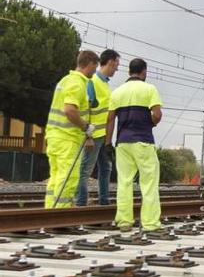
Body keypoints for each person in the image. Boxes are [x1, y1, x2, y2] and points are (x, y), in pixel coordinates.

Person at [105, 58, 162, 232]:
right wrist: (150, 122)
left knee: (124, 182)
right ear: (143, 71)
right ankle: (150, 223)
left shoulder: (117, 92)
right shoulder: (149, 89)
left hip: (122, 142)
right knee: (149, 182)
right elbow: (157, 114)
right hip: (143, 141)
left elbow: (110, 119)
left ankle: (124, 221)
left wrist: (108, 143)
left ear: (129, 71)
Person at [44, 50, 99, 208]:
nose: (95, 71)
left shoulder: (65, 80)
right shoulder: (77, 83)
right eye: (95, 67)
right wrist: (86, 127)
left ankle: (49, 212)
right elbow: (70, 110)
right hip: (67, 138)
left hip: (54, 136)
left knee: (56, 177)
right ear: (90, 64)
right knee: (69, 177)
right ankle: (60, 216)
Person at [75, 49, 120, 206]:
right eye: (116, 65)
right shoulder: (92, 82)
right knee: (85, 171)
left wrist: (108, 141)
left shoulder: (105, 84)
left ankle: (104, 202)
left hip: (103, 136)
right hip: (93, 136)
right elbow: (86, 110)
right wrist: (88, 136)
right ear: (110, 62)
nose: (117, 68)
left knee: (105, 169)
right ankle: (80, 203)